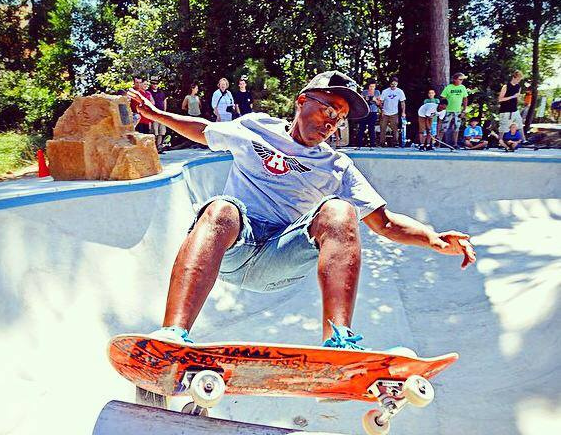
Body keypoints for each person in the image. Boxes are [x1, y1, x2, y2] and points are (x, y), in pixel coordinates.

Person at [130, 70, 476, 353]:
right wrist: (156, 115)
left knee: (340, 210)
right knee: (221, 208)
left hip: (282, 257)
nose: (331, 124)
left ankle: (338, 341)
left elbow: (383, 223)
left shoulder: (336, 165)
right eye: (328, 110)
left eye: (339, 119)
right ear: (302, 101)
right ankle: (172, 336)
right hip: (235, 248)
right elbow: (204, 130)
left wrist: (433, 239)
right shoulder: (255, 127)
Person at [440, 73, 469, 147]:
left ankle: (455, 144)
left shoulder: (462, 87)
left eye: (462, 79)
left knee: (457, 128)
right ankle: (438, 143)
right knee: (444, 127)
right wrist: (443, 107)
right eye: (460, 79)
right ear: (455, 79)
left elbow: (465, 98)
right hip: (448, 110)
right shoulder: (449, 87)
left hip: (458, 111)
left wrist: (464, 110)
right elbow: (443, 97)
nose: (461, 81)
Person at [498, 70, 525, 141]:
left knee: (520, 124)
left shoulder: (518, 87)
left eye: (520, 79)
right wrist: (512, 96)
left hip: (514, 109)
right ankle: (500, 141)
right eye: (518, 79)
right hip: (505, 110)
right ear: (514, 77)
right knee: (503, 127)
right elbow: (500, 99)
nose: (518, 81)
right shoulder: (506, 86)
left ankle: (524, 140)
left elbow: (517, 98)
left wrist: (520, 99)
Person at [379, 77, 406, 147]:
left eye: (395, 83)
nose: (393, 85)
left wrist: (403, 112)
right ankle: (382, 143)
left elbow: (402, 102)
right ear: (390, 84)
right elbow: (381, 102)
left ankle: (395, 143)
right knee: (382, 128)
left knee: (395, 128)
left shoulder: (400, 91)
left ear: (397, 83)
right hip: (385, 113)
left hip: (394, 113)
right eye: (392, 83)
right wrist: (382, 110)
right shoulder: (385, 91)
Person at [358, 79, 381, 148]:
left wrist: (375, 100)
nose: (371, 88)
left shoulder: (377, 92)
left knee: (371, 128)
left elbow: (379, 103)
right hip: (365, 112)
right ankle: (359, 144)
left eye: (373, 86)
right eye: (370, 86)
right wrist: (365, 98)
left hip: (373, 112)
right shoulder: (364, 92)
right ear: (368, 86)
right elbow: (360, 102)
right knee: (362, 128)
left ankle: (372, 144)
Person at [149, 76, 169, 152]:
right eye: (153, 83)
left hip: (161, 114)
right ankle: (154, 148)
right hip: (154, 115)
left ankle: (159, 147)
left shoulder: (161, 92)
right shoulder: (149, 92)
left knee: (161, 132)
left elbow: (164, 101)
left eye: (156, 83)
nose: (155, 85)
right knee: (155, 132)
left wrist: (164, 112)